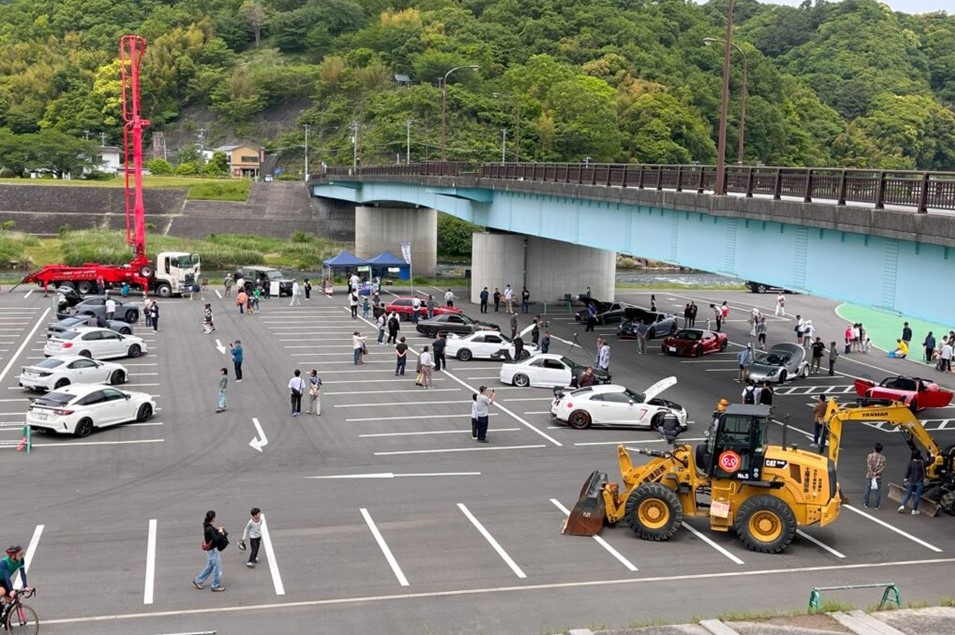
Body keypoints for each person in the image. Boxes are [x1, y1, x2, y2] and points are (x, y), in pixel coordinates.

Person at [193, 510, 227, 592]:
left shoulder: (206, 525)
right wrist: (220, 532)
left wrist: (218, 530)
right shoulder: (210, 528)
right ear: (213, 518)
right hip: (212, 550)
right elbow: (215, 539)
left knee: (210, 567)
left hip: (209, 551)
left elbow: (212, 532)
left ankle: (198, 581)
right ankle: (215, 586)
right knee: (217, 569)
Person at [0, 545, 32, 612]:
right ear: (13, 555)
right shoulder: (4, 562)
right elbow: (7, 577)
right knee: (2, 591)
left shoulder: (21, 560)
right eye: (20, 554)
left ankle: (4, 616)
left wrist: (25, 586)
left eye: (22, 554)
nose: (22, 556)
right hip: (3, 579)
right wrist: (11, 590)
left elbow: (22, 573)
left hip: (2, 580)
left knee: (11, 599)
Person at [898, 450, 926, 515]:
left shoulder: (910, 463)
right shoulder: (922, 463)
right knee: (917, 496)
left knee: (907, 494)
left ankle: (902, 506)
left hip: (911, 481)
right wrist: (932, 455)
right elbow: (931, 461)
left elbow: (908, 472)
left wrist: (905, 479)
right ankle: (914, 510)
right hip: (919, 482)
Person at [864, 443, 885, 509]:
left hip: (870, 475)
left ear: (874, 449)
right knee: (878, 491)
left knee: (868, 489)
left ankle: (866, 503)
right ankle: (877, 505)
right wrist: (877, 473)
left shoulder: (870, 456)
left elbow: (869, 466)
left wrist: (872, 473)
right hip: (878, 476)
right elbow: (882, 467)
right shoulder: (883, 458)